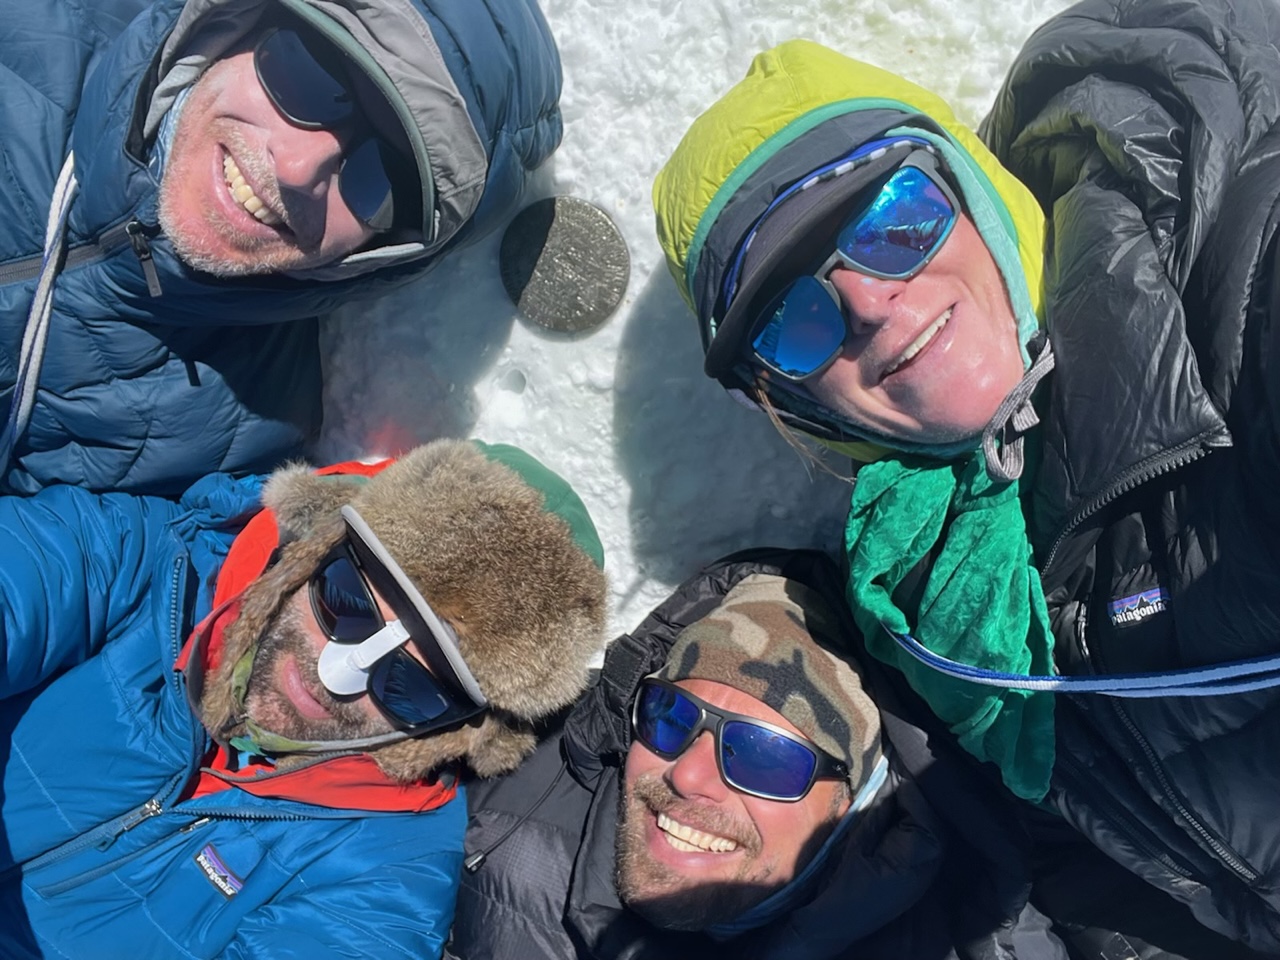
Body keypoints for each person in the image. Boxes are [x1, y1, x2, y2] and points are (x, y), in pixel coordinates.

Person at [652, 9, 1280, 956]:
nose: (866, 302)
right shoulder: (931, 605)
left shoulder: (1234, 280)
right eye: (795, 319)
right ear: (791, 403)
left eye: (893, 220)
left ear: (972, 186)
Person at [0, 437, 607, 959]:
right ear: (313, 549)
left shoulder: (386, 874)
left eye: (413, 686)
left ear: (461, 729)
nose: (338, 671)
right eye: (345, 603)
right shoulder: (150, 569)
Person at [0, 0, 563, 495]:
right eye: (308, 74)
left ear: (389, 251)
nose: (297, 169)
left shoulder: (233, 443)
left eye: (384, 178)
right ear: (231, 21)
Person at [446, 549, 1070, 960]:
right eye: (671, 718)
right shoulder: (509, 788)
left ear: (855, 804)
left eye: (763, 757)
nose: (688, 774)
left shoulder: (965, 939)